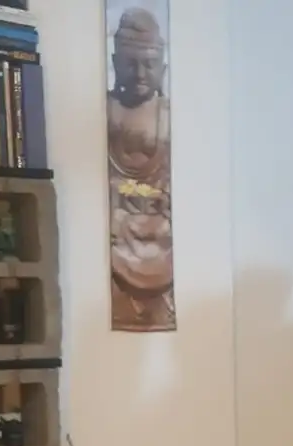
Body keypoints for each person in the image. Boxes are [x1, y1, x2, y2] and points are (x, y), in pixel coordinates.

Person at [108, 8, 175, 331]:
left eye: (149, 64)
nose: (140, 74)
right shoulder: (107, 110)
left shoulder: (168, 114)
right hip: (118, 225)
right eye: (130, 63)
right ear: (114, 63)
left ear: (162, 67)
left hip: (157, 227)